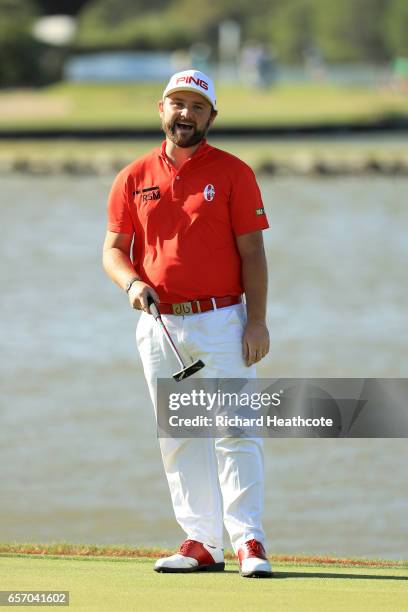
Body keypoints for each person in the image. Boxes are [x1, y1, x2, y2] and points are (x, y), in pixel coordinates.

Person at [102, 69, 272, 578]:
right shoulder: (133, 177)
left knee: (236, 432)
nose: (186, 113)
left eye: (197, 106)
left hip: (223, 319)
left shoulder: (235, 173)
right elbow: (113, 251)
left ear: (211, 117)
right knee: (179, 436)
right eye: (178, 103)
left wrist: (257, 322)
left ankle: (249, 542)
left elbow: (253, 252)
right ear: (162, 109)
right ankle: (202, 542)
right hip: (161, 326)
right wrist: (132, 284)